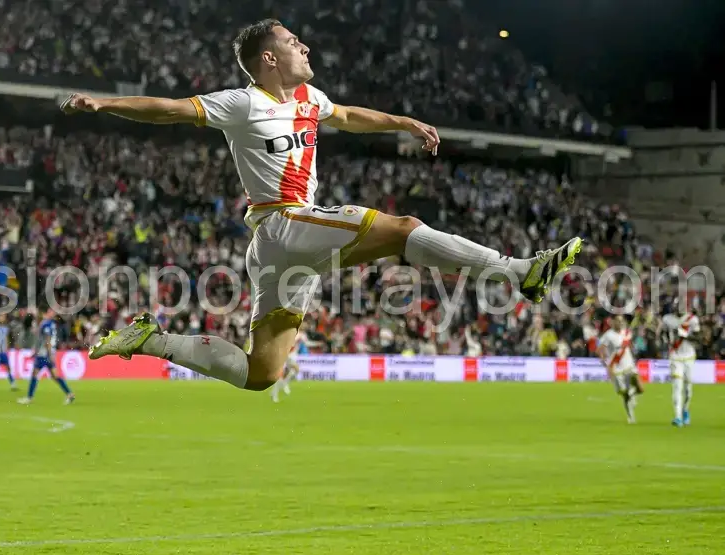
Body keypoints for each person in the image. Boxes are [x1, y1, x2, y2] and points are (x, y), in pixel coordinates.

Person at [64, 19, 582, 392]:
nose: (304, 45)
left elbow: (350, 115)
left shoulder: (310, 99)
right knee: (403, 228)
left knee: (260, 374)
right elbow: (171, 110)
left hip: (278, 248)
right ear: (269, 58)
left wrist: (402, 123)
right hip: (283, 223)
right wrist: (105, 102)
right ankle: (517, 273)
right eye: (292, 42)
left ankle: (154, 341)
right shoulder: (245, 102)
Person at [18, 311, 75, 405]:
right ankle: (69, 394)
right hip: (47, 353)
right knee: (54, 376)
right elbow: (43, 339)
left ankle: (29, 397)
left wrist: (49, 354)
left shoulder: (46, 324)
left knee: (34, 374)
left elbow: (47, 340)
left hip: (44, 354)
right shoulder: (51, 324)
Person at [659, 304, 700, 427]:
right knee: (677, 386)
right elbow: (662, 332)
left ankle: (685, 410)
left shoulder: (692, 319)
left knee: (688, 389)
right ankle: (677, 417)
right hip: (675, 356)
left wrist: (684, 335)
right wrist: (666, 342)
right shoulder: (667, 319)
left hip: (688, 356)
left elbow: (698, 338)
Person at [597, 316, 643, 424]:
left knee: (640, 388)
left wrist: (634, 353)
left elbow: (629, 345)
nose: (620, 323)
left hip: (629, 364)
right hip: (617, 367)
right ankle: (630, 416)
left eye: (621, 321)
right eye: (618, 321)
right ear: (613, 322)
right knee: (624, 394)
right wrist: (603, 358)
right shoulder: (608, 335)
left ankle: (632, 395)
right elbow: (600, 348)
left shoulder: (626, 332)